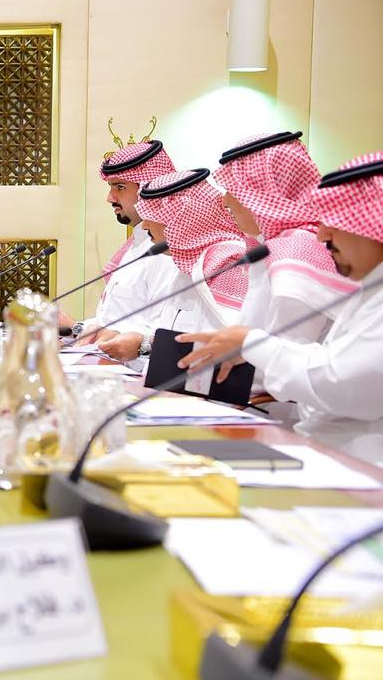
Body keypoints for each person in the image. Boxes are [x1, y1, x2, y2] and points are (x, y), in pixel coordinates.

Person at [177, 152, 383, 461]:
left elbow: (342, 385)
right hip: (320, 446)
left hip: (357, 462)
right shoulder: (371, 287)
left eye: (336, 221)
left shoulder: (296, 250)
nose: (322, 234)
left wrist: (250, 344)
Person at [215, 132, 355, 347]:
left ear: (262, 194)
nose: (225, 202)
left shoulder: (298, 249)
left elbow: (286, 352)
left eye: (232, 190)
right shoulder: (278, 244)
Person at [69, 140, 179, 362]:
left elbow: (163, 332)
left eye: (120, 187)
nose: (110, 198)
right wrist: (73, 328)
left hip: (136, 374)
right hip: (108, 367)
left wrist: (127, 342)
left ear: (149, 188)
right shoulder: (137, 245)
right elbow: (114, 322)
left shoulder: (166, 251)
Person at [132, 168, 251, 348]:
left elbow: (231, 346)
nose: (144, 225)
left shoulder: (227, 263)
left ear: (180, 218)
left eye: (152, 215)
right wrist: (144, 345)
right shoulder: (192, 264)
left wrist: (142, 347)